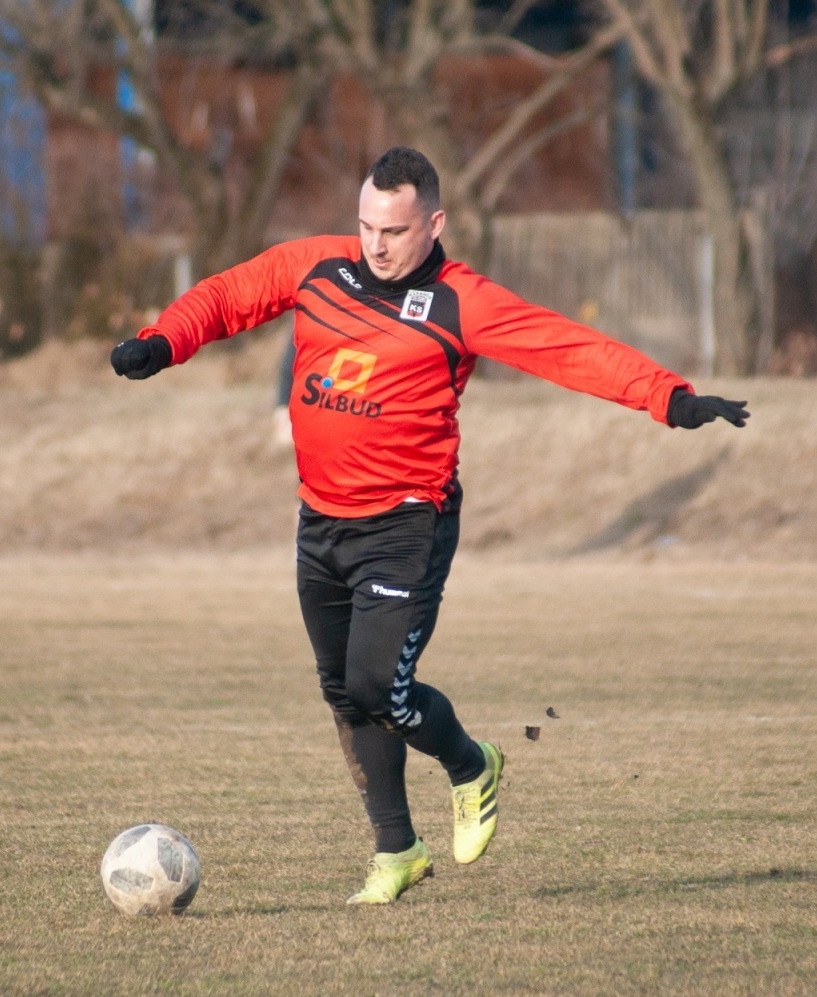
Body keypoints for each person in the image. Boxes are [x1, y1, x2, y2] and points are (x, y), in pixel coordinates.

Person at [111, 147, 748, 905]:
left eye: (394, 229)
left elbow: (566, 348)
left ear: (434, 223)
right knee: (344, 692)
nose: (375, 244)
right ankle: (397, 852)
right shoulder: (320, 267)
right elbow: (230, 295)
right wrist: (162, 341)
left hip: (408, 525)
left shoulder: (459, 301)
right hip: (319, 518)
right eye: (366, 226)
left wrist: (668, 397)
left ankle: (471, 764)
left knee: (379, 682)